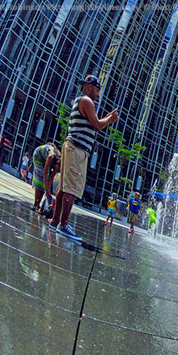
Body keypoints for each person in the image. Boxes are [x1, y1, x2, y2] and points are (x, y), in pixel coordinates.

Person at [49, 74, 119, 241]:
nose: (98, 94)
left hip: (72, 146)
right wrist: (110, 119)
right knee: (71, 188)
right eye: (97, 90)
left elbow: (93, 122)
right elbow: (96, 124)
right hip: (77, 150)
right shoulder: (87, 101)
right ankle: (64, 225)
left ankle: (56, 221)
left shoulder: (81, 100)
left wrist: (107, 118)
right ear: (90, 87)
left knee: (64, 187)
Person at [30, 142, 60, 212]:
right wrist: (47, 190)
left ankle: (38, 204)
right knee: (40, 179)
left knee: (44, 184)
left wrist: (48, 190)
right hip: (39, 156)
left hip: (45, 158)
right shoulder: (51, 157)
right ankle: (35, 204)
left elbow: (50, 178)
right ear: (57, 164)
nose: (57, 171)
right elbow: (45, 174)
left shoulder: (59, 163)